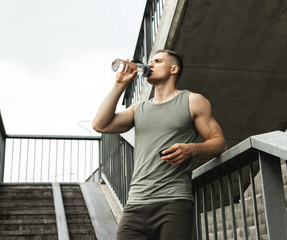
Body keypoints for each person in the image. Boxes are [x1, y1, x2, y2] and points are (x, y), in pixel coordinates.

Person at [92, 49, 227, 240]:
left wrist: (191, 149)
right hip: (135, 204)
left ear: (174, 69)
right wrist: (119, 85)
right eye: (150, 61)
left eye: (158, 61)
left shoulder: (193, 101)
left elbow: (220, 143)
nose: (151, 64)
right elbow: (100, 124)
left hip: (173, 203)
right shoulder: (139, 108)